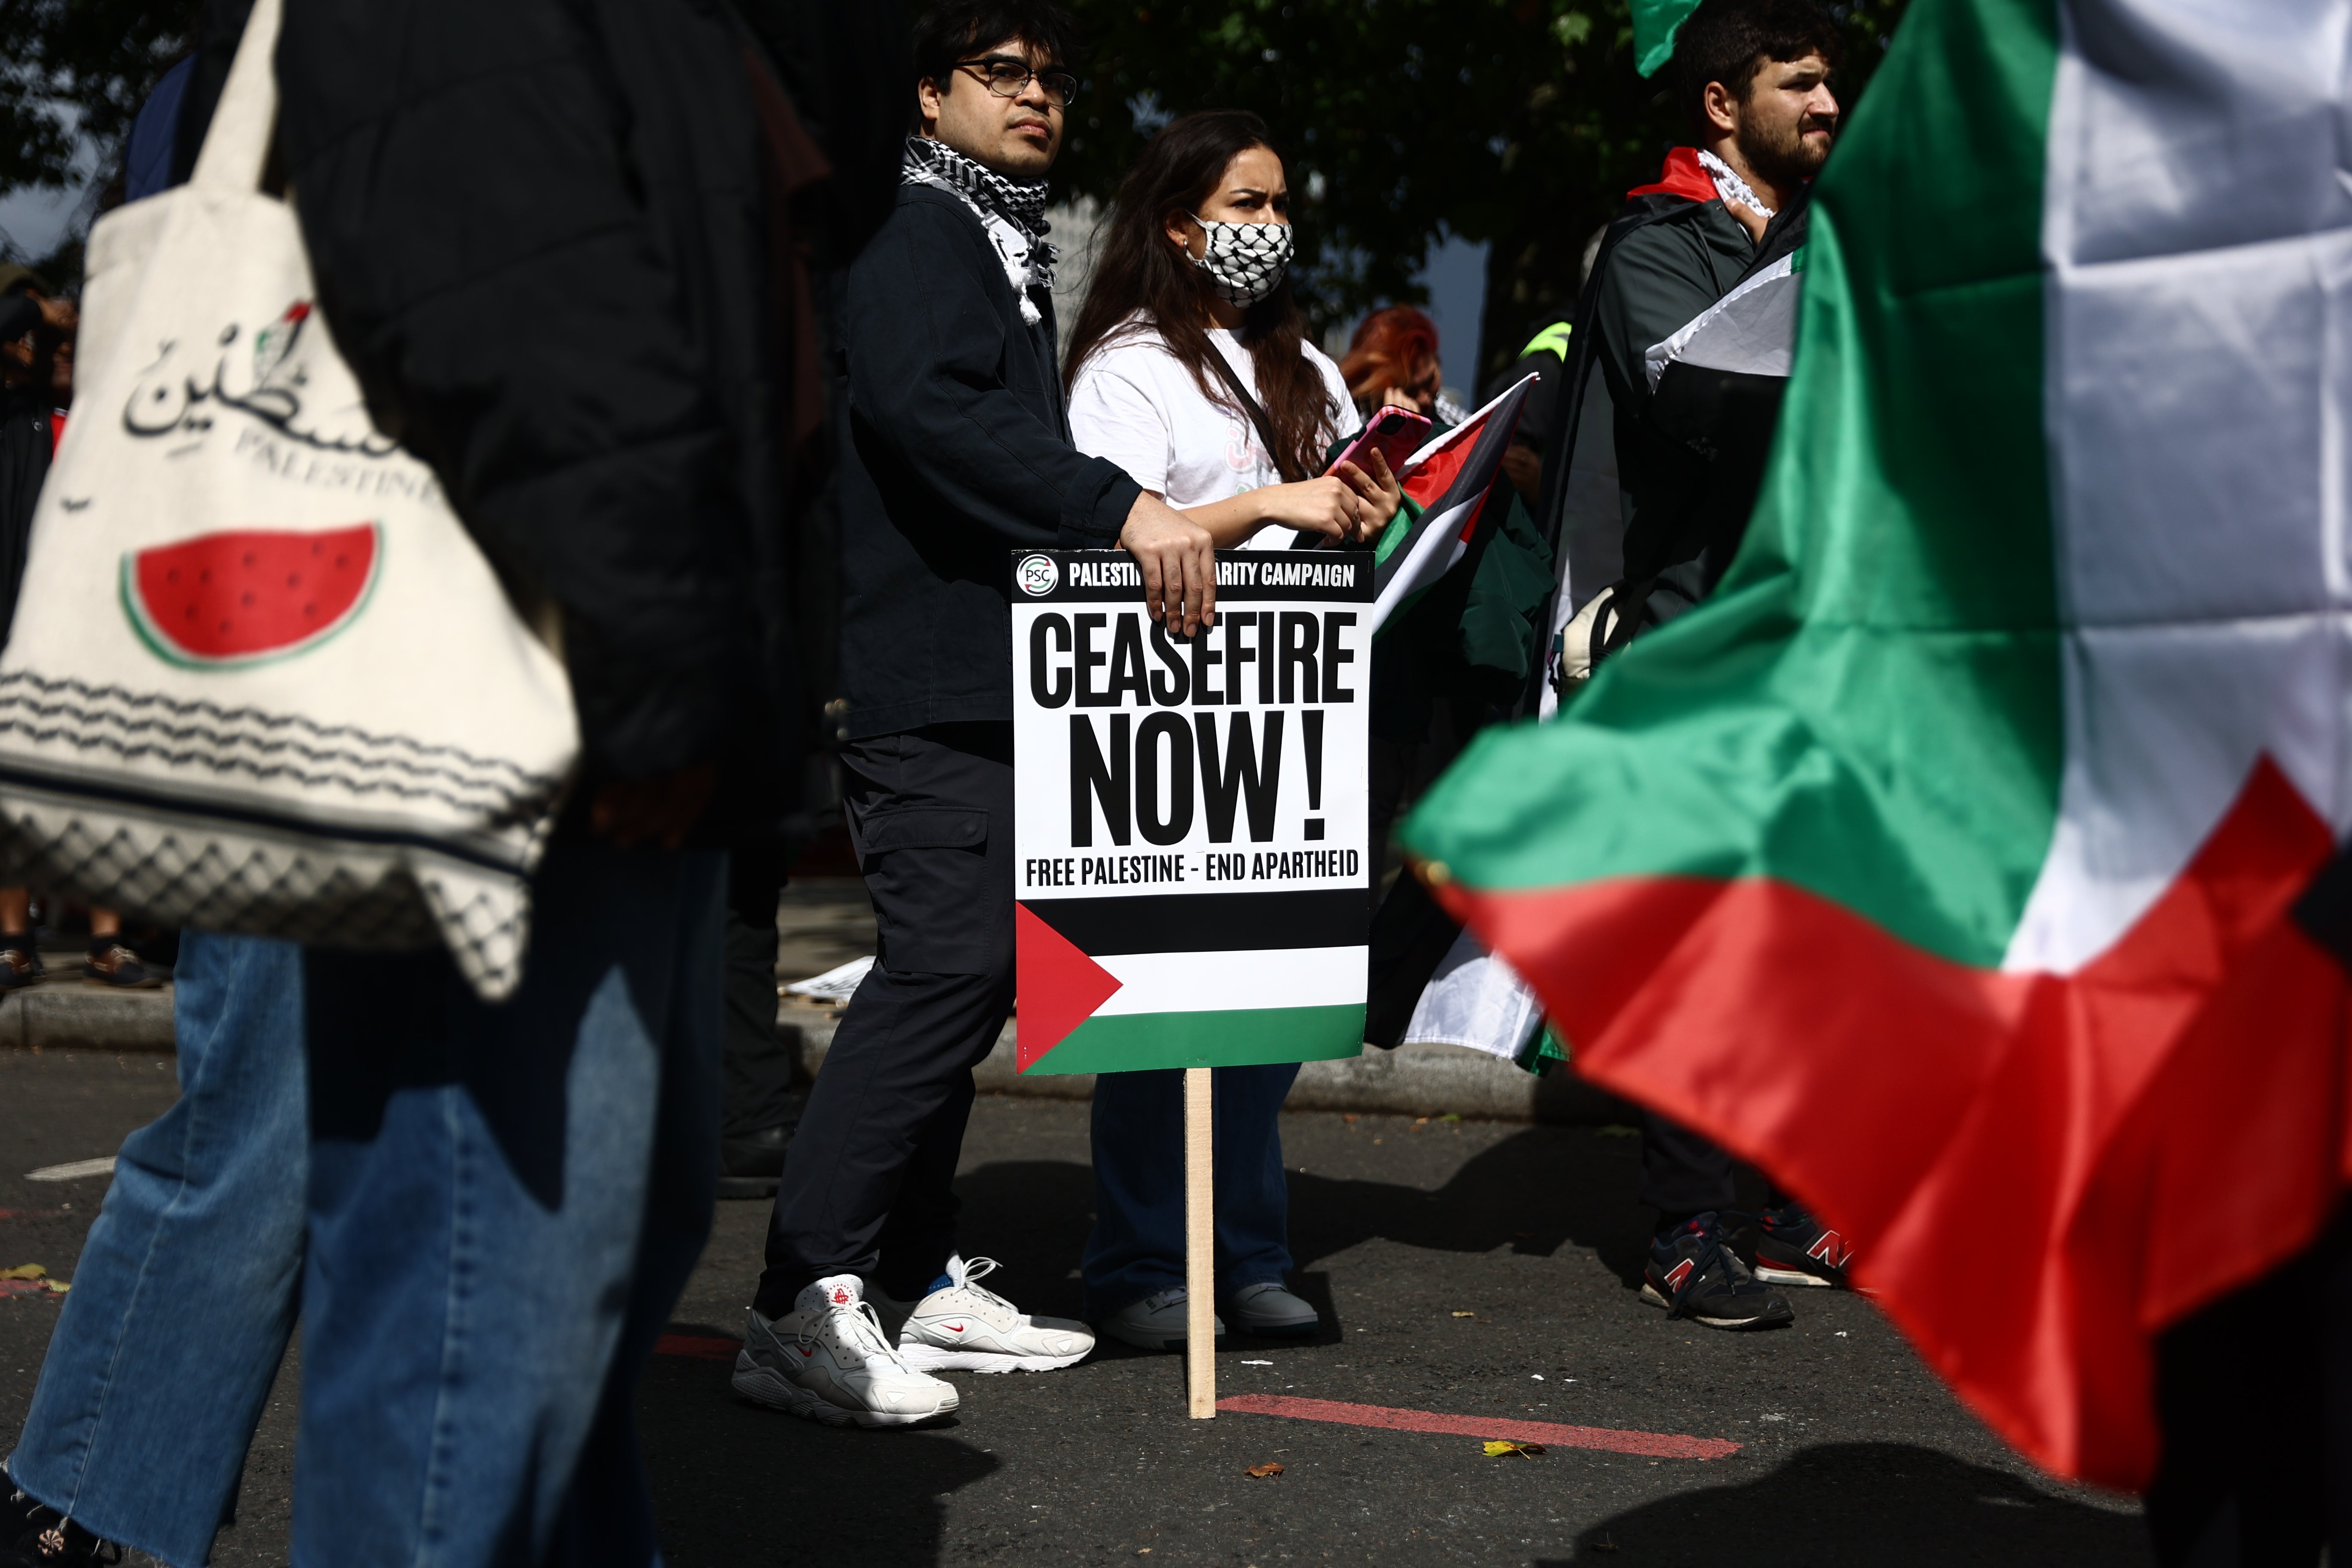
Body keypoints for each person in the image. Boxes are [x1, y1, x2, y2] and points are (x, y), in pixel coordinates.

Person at [738, 0, 1218, 1428]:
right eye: (1003, 74)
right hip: (918, 664)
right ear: (927, 92)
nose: (1037, 98)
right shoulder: (914, 228)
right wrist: (1112, 504)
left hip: (984, 658)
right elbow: (927, 412)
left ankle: (909, 1268)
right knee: (945, 958)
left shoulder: (987, 234)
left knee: (981, 961)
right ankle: (797, 1294)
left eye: (1056, 80)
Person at [1060, 108, 1403, 1349]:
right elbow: (1107, 531)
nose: (1271, 230)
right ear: (1177, 224)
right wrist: (1266, 501)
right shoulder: (1131, 367)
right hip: (1171, 720)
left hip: (1292, 716)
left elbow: (1331, 514)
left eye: (1279, 206)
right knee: (1165, 1010)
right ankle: (1141, 1264)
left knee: (1265, 1004)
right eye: (1246, 206)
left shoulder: (1304, 370)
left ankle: (1250, 1251)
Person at [1558, 0, 1845, 1331]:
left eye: (1833, 84)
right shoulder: (1651, 242)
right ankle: (1686, 1226)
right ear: (1723, 104)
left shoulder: (1834, 236)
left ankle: (1786, 1205)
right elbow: (1695, 397)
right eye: (1801, 83)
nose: (1830, 106)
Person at [0, 270, 164, 996]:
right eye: (46, 343)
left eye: (71, 342)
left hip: (100, 620)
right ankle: (13, 940)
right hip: (20, 618)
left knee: (102, 775)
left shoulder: (113, 415)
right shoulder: (12, 417)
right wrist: (37, 310)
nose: (61, 350)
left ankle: (107, 942)